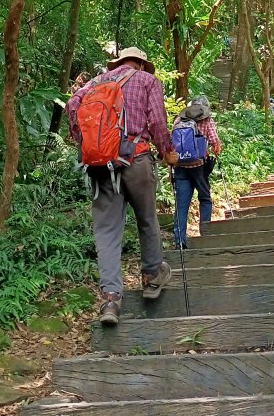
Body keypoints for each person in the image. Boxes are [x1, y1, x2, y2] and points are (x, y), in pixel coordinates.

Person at [67, 47, 179, 327]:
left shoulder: (96, 83)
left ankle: (111, 299)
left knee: (106, 231)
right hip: (137, 158)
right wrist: (167, 151)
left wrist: (85, 143)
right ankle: (152, 276)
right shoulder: (147, 81)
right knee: (147, 219)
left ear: (117, 63)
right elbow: (157, 121)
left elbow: (72, 107)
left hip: (101, 166)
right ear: (141, 64)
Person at [171, 95, 222, 249]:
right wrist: (216, 151)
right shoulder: (207, 120)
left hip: (180, 167)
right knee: (205, 199)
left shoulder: (179, 120)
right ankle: (205, 236)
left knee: (181, 205)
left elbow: (172, 145)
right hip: (199, 167)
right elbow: (215, 143)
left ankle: (180, 241)